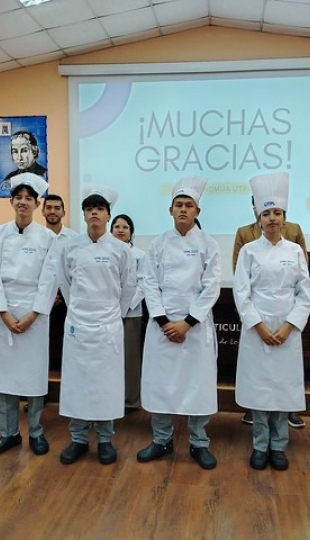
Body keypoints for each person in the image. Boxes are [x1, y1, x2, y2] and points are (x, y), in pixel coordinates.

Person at [137, 177, 220, 470]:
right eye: (178, 205)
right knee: (162, 386)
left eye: (189, 205)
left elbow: (211, 287)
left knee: (197, 387)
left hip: (194, 329)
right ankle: (162, 440)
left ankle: (199, 443)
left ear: (198, 210)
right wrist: (163, 321)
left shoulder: (209, 244)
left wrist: (187, 323)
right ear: (169, 210)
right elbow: (149, 283)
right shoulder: (158, 243)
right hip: (162, 328)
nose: (183, 209)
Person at [233, 171, 310, 471]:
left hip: (287, 330)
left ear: (284, 216)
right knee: (260, 392)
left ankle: (279, 446)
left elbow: (304, 293)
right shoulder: (249, 251)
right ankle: (259, 445)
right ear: (259, 217)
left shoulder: (295, 251)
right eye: (267, 213)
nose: (272, 218)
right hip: (257, 331)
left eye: (277, 213)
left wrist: (290, 325)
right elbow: (242, 292)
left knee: (281, 391)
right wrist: (260, 326)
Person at [59, 187, 136, 465]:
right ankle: (78, 438)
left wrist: (114, 315)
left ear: (108, 214)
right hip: (78, 324)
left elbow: (128, 286)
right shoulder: (70, 246)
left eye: (100, 208)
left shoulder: (119, 249)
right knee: (77, 383)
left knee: (107, 384)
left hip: (108, 325)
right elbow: (65, 284)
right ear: (83, 214)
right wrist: (79, 311)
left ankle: (105, 439)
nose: (94, 212)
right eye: (89, 208)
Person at [0, 173, 58, 455]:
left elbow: (49, 279)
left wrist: (34, 314)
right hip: (4, 315)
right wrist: (4, 313)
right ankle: (8, 432)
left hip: (35, 316)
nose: (23, 203)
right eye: (18, 198)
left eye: (29, 199)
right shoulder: (0, 233)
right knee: (5, 378)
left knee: (35, 378)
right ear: (11, 201)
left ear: (37, 204)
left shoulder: (48, 238)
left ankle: (35, 432)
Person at [111, 214, 145, 414]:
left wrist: (125, 307)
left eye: (125, 227)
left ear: (131, 231)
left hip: (131, 313)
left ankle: (130, 399)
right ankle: (111, 396)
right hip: (106, 313)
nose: (120, 230)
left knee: (130, 358)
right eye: (116, 226)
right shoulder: (105, 252)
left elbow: (142, 285)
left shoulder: (140, 254)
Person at [42, 194, 77, 372]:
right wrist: (48, 295)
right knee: (42, 345)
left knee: (66, 343)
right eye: (49, 207)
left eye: (57, 208)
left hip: (67, 300)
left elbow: (76, 271)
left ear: (64, 212)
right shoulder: (38, 237)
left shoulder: (74, 239)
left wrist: (61, 295)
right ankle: (42, 394)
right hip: (41, 300)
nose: (52, 211)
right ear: (42, 210)